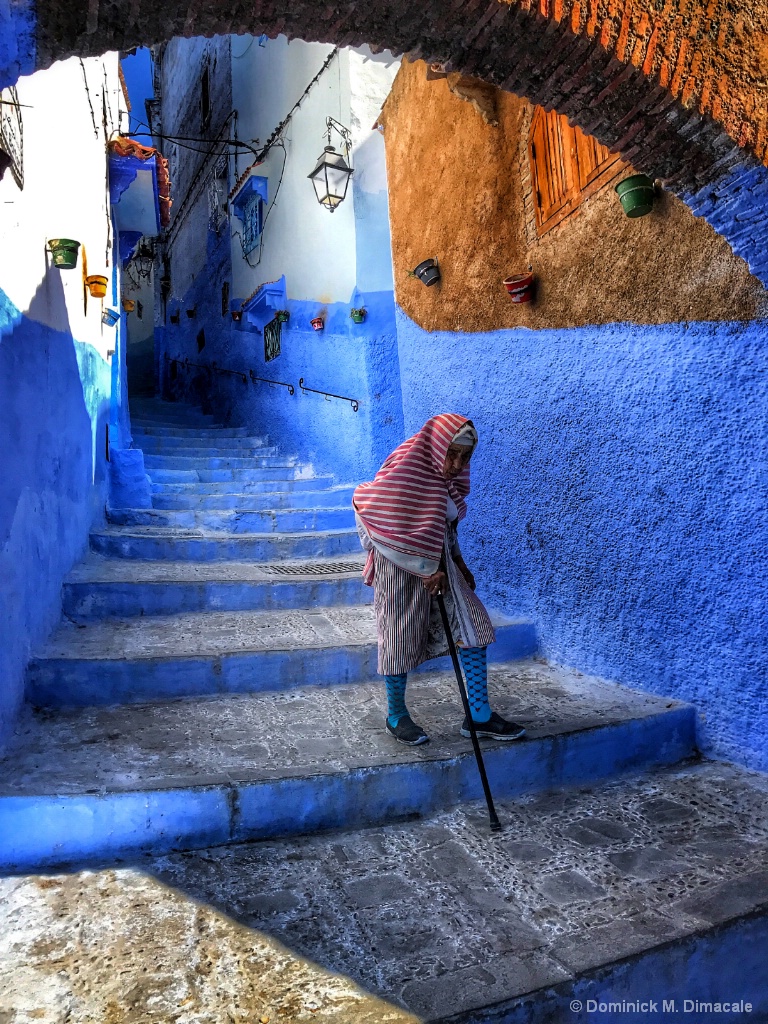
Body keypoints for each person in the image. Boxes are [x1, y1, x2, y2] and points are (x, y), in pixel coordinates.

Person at [353, 413, 526, 746]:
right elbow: (370, 510)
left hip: (440, 563)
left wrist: (458, 561)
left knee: (472, 625)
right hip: (398, 566)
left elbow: (441, 525)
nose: (458, 463)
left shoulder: (441, 480)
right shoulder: (405, 470)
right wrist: (422, 565)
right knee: (398, 637)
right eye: (453, 453)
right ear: (437, 447)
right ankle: (396, 716)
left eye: (465, 456)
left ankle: (478, 717)